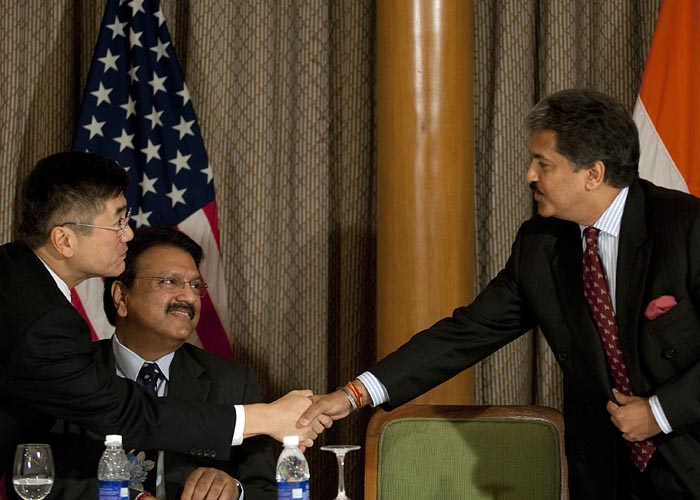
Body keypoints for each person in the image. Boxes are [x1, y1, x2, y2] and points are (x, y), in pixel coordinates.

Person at [301, 89, 700, 500]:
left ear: (593, 174)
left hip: (690, 454)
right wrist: (355, 394)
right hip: (606, 474)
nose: (529, 175)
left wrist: (659, 413)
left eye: (543, 163)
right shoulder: (541, 244)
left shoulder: (687, 228)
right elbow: (468, 331)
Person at [0, 152, 325, 494]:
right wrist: (267, 418)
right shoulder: (43, 319)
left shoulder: (16, 279)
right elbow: (128, 414)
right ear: (64, 240)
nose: (127, 235)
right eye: (117, 223)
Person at [50, 226, 276, 500]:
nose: (188, 297)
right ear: (121, 297)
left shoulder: (232, 383)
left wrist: (234, 491)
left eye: (195, 285)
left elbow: (267, 492)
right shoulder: (64, 372)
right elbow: (36, 478)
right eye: (170, 281)